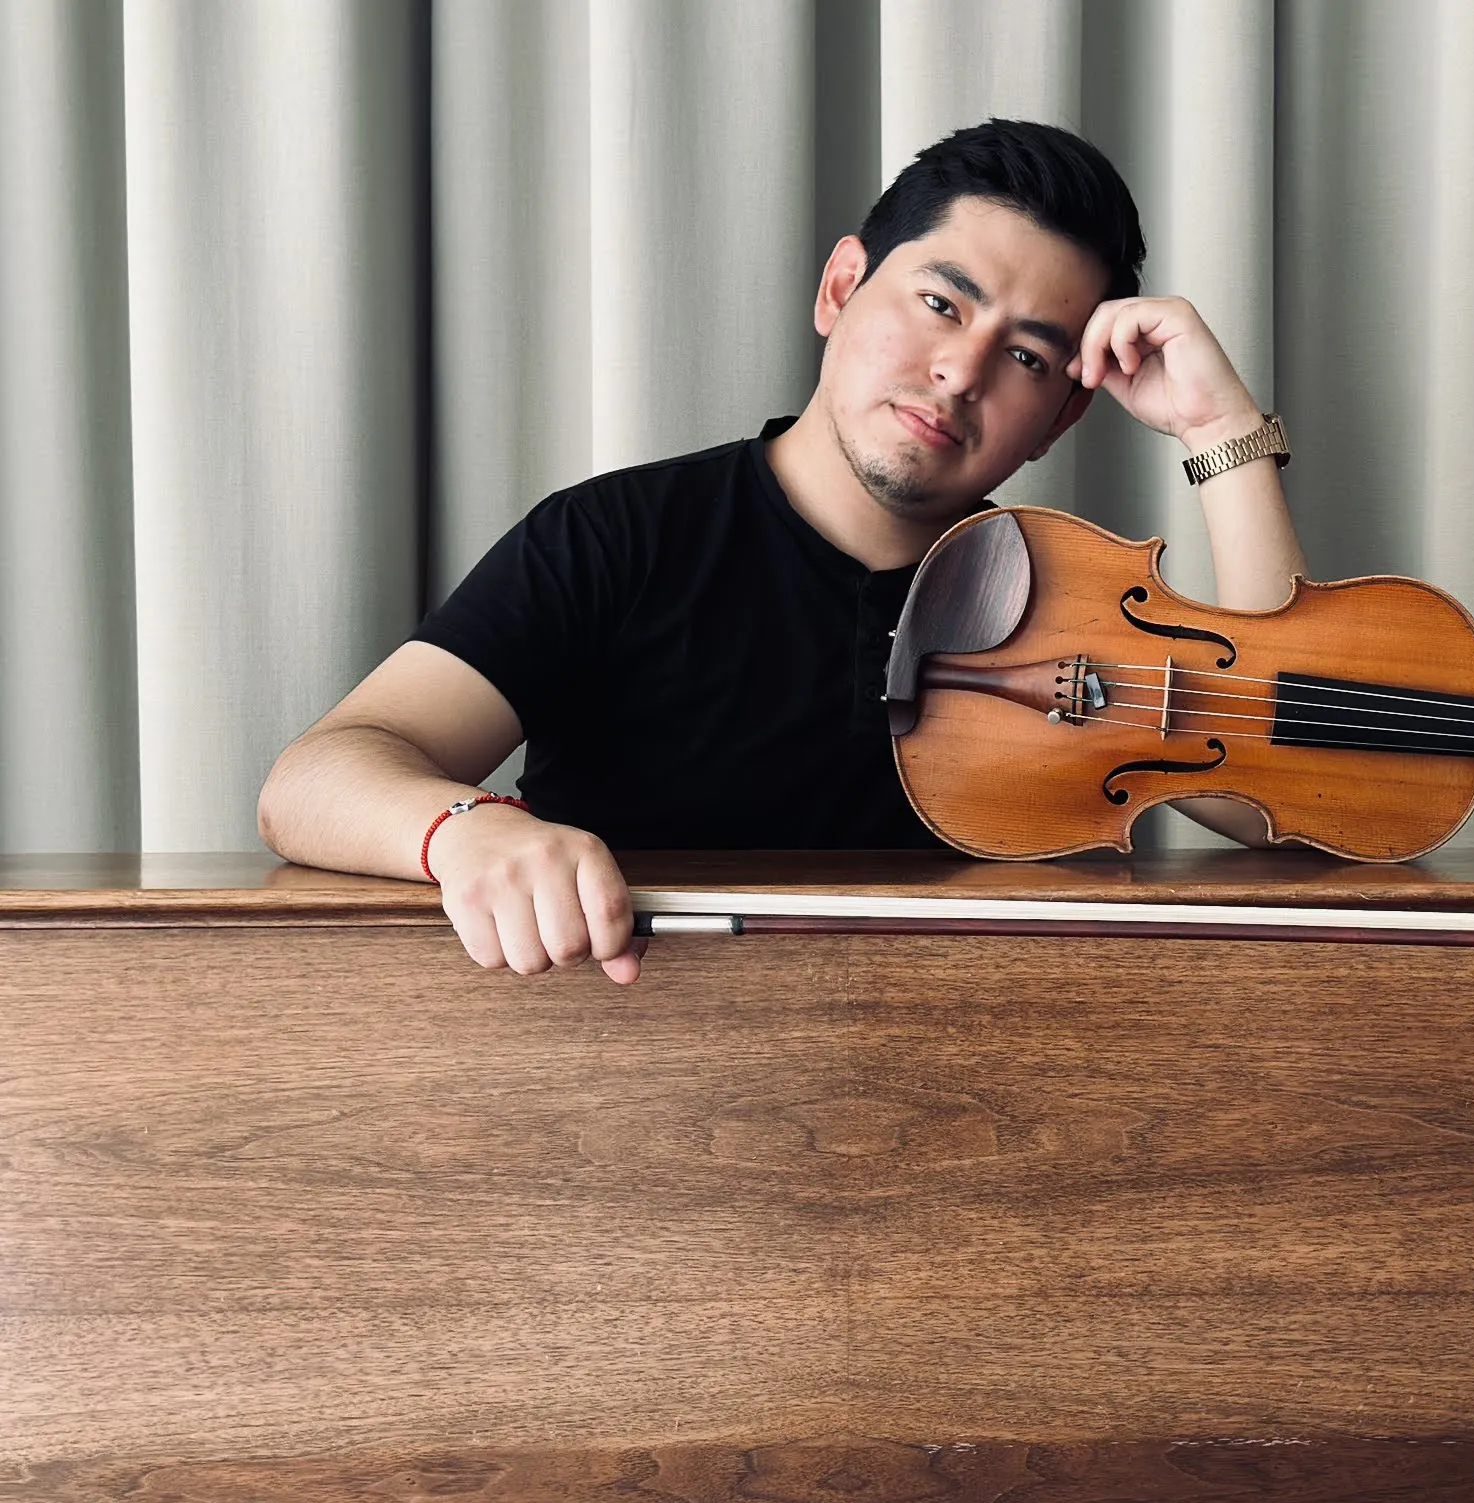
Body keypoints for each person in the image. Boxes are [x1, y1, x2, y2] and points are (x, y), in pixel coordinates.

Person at [259, 119, 1308, 983]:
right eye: (940, 304)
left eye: (1028, 355)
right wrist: (470, 828)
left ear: (1060, 420)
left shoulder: (1069, 602)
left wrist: (1220, 432)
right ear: (840, 289)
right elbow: (315, 778)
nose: (959, 372)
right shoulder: (616, 536)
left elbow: (1288, 795)